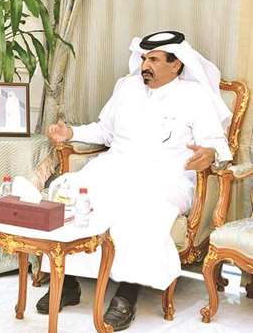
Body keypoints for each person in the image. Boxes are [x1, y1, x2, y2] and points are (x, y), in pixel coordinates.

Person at [37, 31, 232, 331]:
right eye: (143, 58)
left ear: (175, 64)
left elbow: (216, 146)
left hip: (168, 175)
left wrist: (208, 155)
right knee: (65, 189)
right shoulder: (126, 87)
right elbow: (104, 131)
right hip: (117, 166)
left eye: (153, 59)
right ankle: (68, 282)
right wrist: (71, 134)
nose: (145, 65)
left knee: (141, 206)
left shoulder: (194, 96)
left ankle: (127, 292)